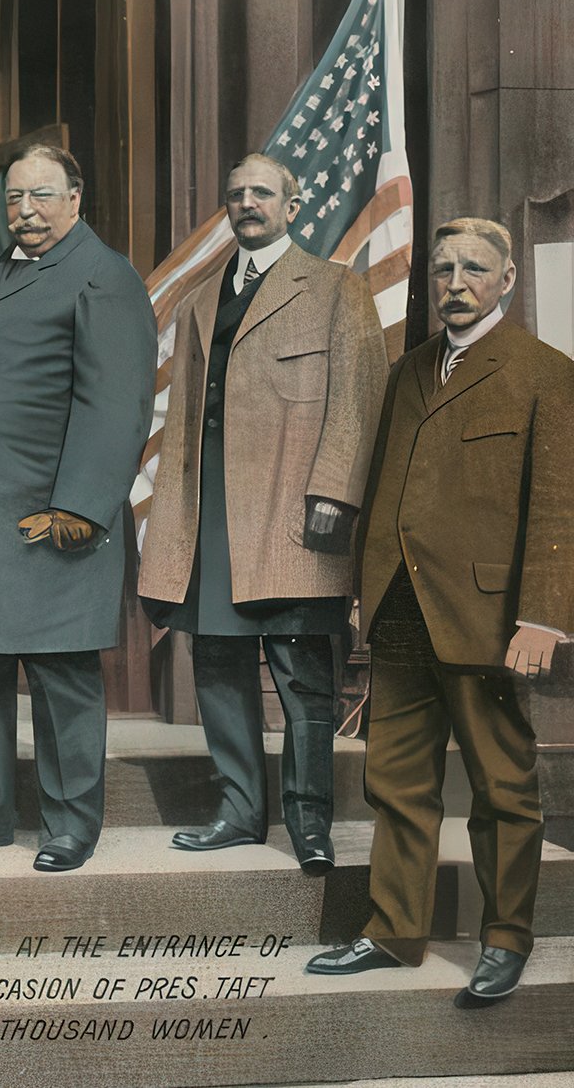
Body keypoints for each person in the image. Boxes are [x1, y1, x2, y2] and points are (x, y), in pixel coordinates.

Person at [307, 217, 573, 1005]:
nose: (454, 284)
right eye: (443, 270)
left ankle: (505, 940)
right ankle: (394, 931)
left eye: (473, 270)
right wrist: (363, 592)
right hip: (398, 611)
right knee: (396, 782)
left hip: (489, 619)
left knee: (500, 786)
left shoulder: (545, 372)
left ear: (507, 281)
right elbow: (393, 487)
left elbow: (560, 509)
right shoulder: (411, 369)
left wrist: (542, 619)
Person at [0, 144, 157, 873]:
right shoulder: (2, 269)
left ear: (76, 199)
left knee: (61, 676)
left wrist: (81, 506)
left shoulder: (105, 277)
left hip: (45, 516)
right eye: (14, 199)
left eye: (42, 197)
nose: (25, 212)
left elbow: (118, 404)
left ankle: (71, 825)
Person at [139, 153, 387, 872]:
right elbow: (183, 421)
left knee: (305, 682)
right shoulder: (197, 301)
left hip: (297, 523)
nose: (248, 203)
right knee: (216, 667)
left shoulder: (338, 288)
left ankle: (310, 827)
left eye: (262, 193)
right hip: (210, 525)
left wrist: (335, 497)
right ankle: (239, 812)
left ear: (293, 203)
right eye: (236, 194)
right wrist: (174, 522)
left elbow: (359, 404)